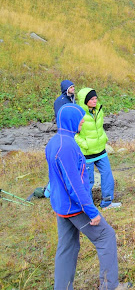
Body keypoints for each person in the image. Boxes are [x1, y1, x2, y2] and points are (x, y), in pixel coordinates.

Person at [46, 103, 123, 290]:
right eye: (80, 119)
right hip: (74, 207)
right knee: (106, 236)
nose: (82, 122)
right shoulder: (67, 147)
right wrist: (92, 211)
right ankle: (109, 286)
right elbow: (75, 185)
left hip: (61, 206)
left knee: (67, 248)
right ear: (71, 120)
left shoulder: (54, 142)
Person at [75, 88, 120, 209]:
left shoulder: (99, 110)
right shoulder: (78, 113)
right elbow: (74, 133)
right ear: (85, 101)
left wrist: (104, 138)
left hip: (101, 151)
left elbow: (100, 127)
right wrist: (85, 144)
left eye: (95, 98)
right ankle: (89, 208)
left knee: (107, 176)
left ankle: (107, 203)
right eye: (91, 99)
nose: (95, 101)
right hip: (87, 154)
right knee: (88, 182)